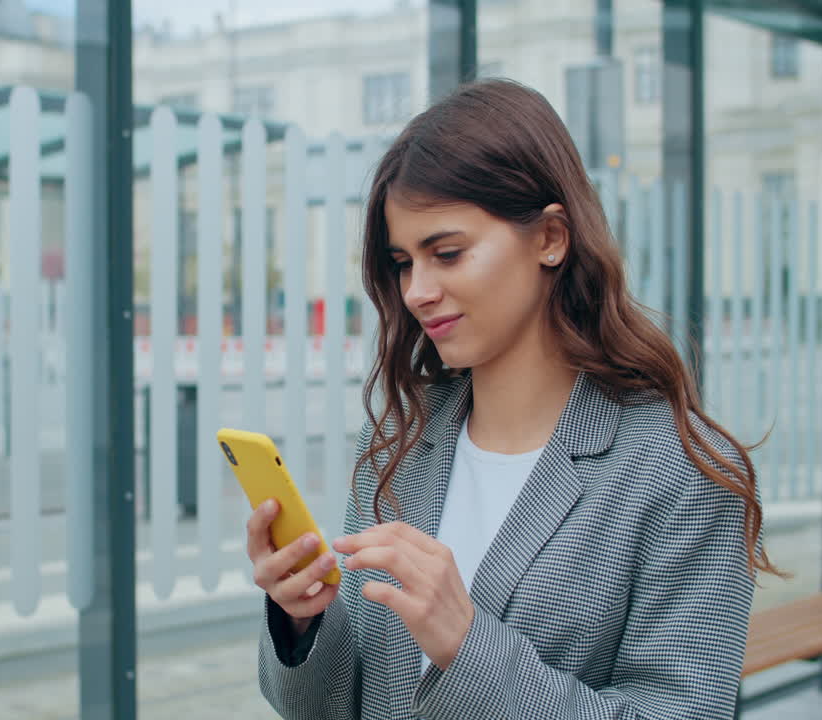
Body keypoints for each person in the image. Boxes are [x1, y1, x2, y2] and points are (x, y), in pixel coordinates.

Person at [245, 78, 783, 719]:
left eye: (447, 253)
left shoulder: (680, 471)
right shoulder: (401, 446)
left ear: (551, 238)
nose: (417, 290)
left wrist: (469, 650)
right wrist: (301, 623)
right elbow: (333, 706)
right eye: (403, 262)